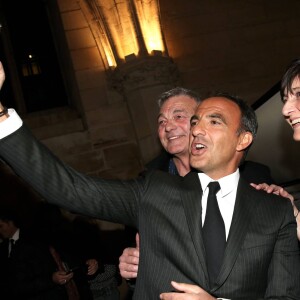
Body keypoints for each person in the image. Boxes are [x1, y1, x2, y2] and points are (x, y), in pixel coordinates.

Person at [0, 62, 299, 299]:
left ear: (243, 139)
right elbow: (67, 188)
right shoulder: (153, 190)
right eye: (195, 122)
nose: (196, 130)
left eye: (213, 121)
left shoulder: (275, 210)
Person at [118, 87, 282, 281]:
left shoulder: (253, 176)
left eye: (179, 116)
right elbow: (138, 252)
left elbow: (278, 258)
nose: (168, 127)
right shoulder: (145, 186)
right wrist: (131, 267)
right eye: (161, 121)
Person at [0, 208, 68, 300]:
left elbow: (44, 269)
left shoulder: (33, 238)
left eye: (1, 226)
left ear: (10, 223)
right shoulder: (3, 247)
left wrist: (51, 280)